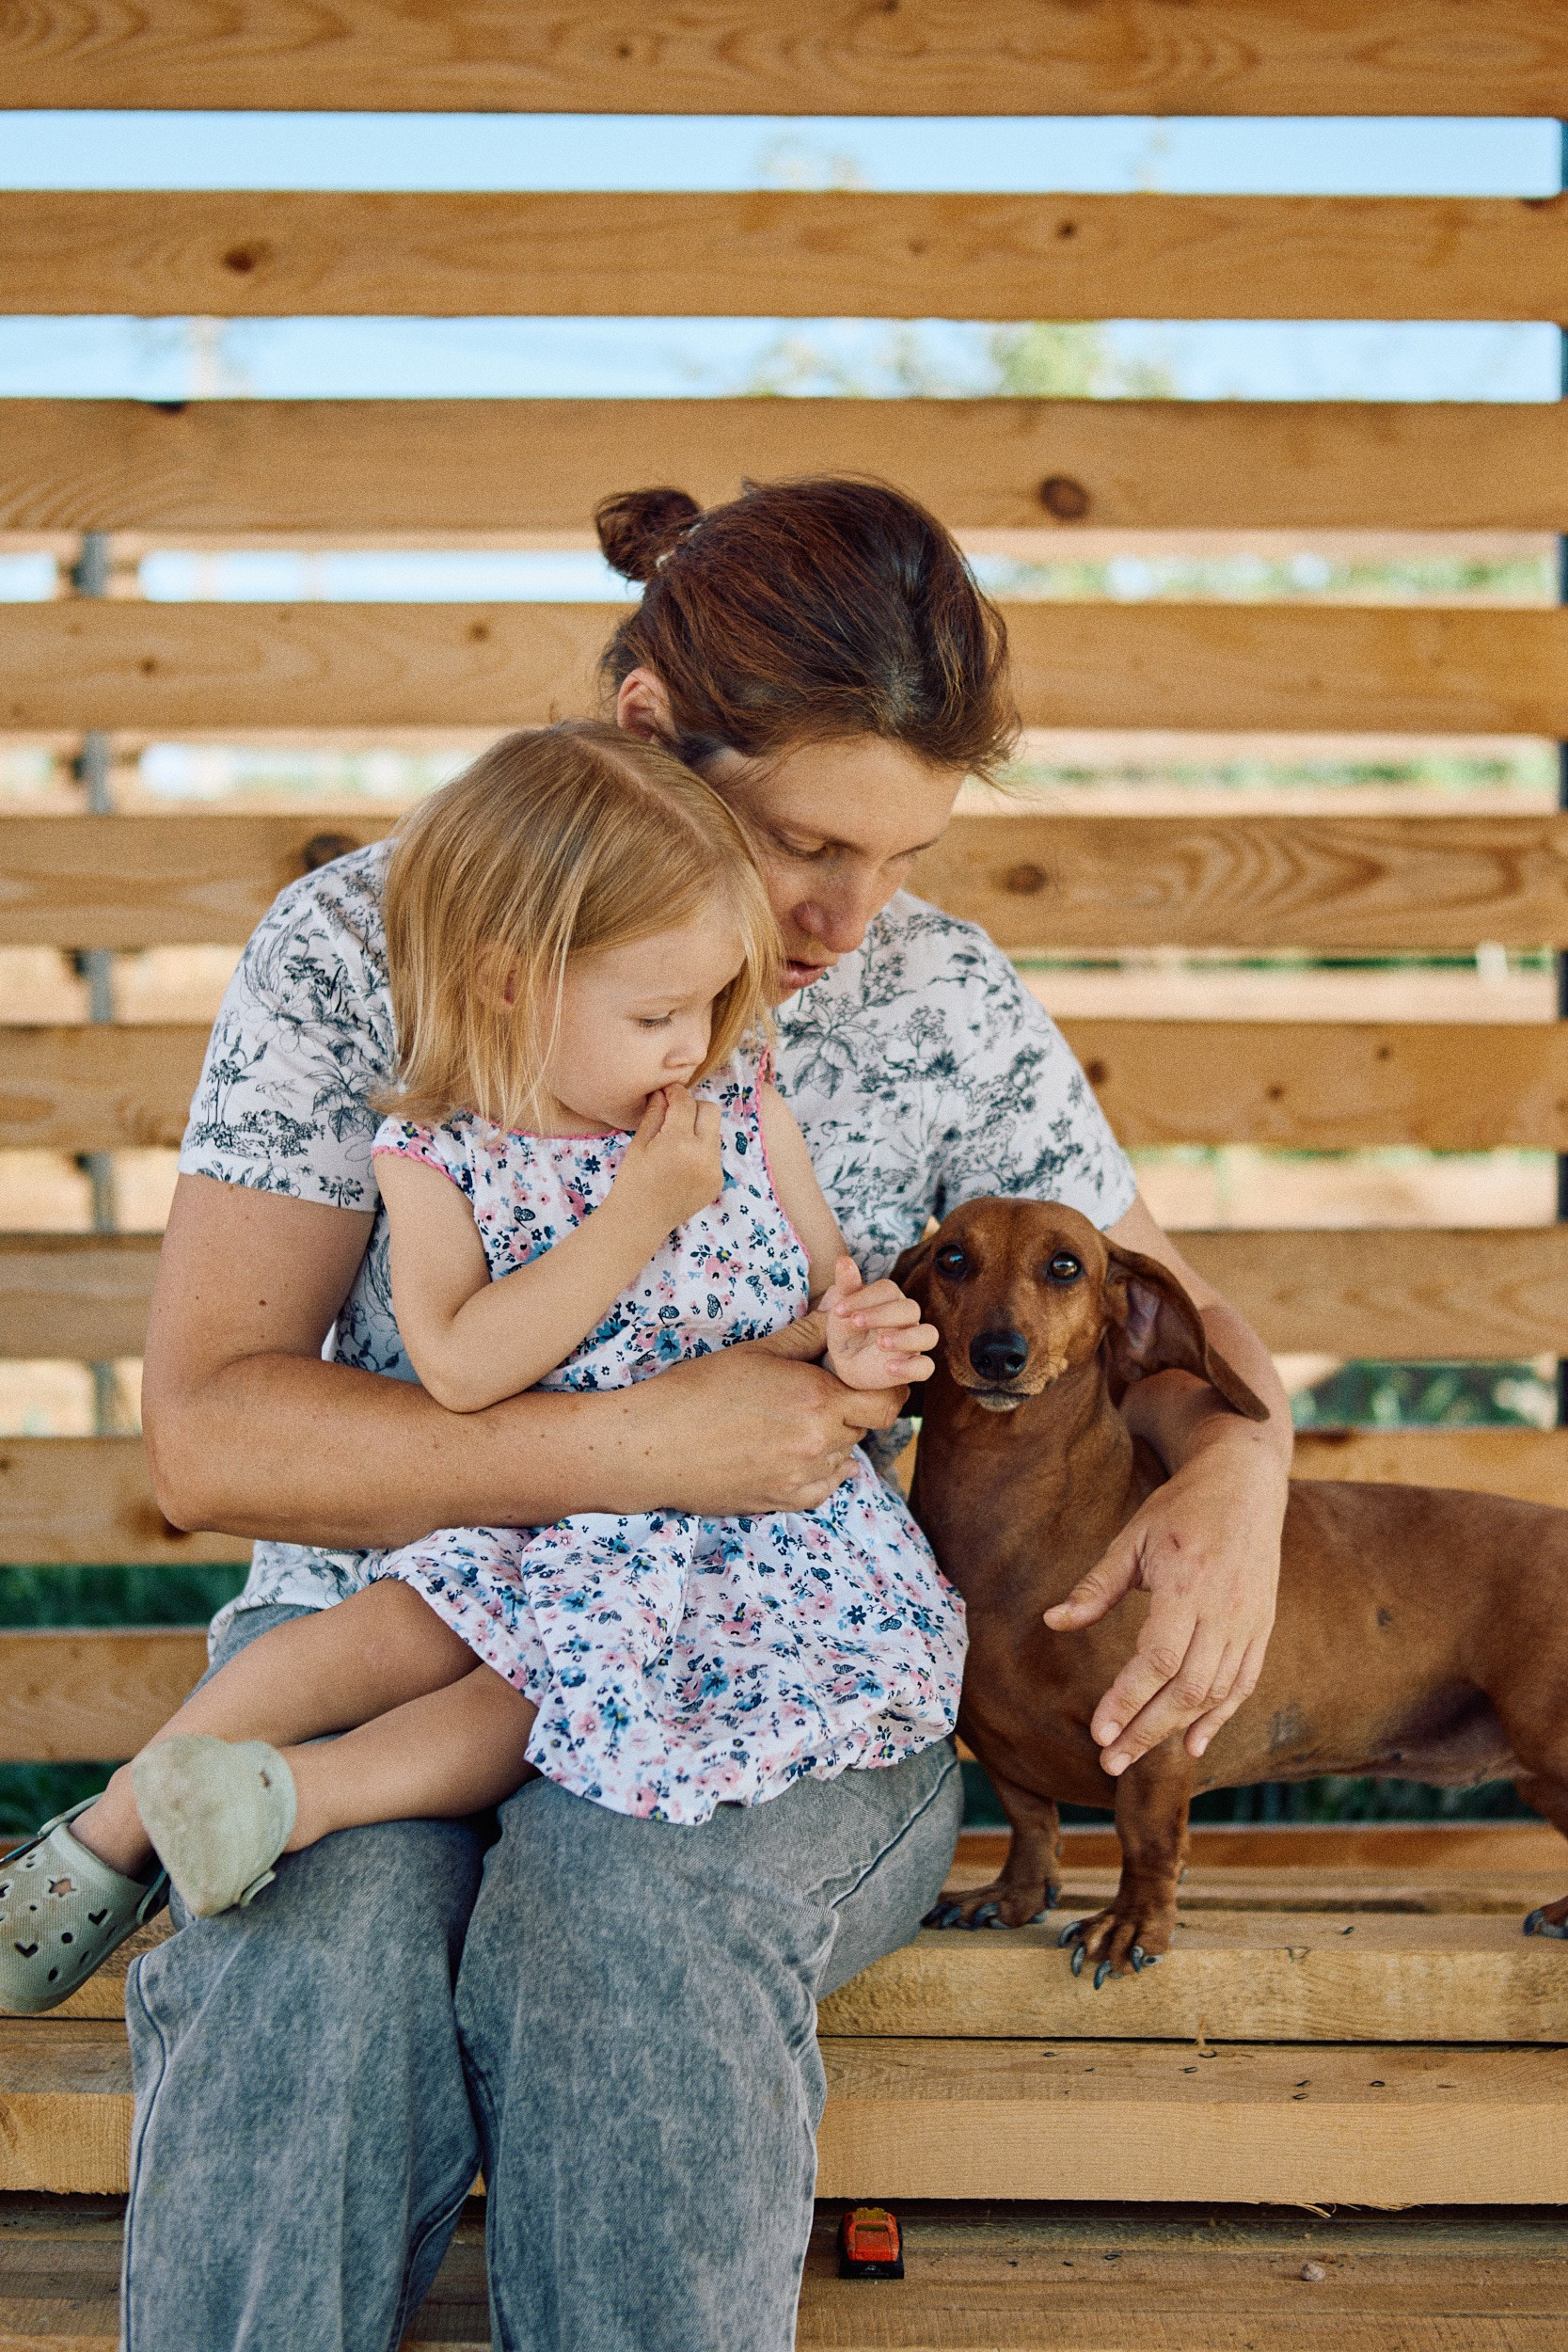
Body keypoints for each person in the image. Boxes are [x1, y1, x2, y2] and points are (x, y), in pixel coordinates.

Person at [120, 477, 1292, 2352]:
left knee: (635, 1919)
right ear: (652, 733)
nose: (850, 917)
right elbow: (210, 1435)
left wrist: (1253, 1460)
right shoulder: (366, 947)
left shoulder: (935, 998)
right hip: (386, 1660)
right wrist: (612, 1446)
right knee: (304, 1957)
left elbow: (1181, 1324)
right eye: (806, 842)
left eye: (903, 854)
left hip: (777, 1673)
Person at [0, 723, 957, 1977]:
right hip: (522, 1512)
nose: (695, 1044)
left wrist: (865, 1345)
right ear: (511, 982)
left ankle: (293, 1799)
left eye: (717, 1003)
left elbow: (814, 1316)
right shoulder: (441, 1154)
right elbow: (458, 1365)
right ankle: (111, 1835)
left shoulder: (736, 1105)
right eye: (660, 1010)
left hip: (723, 1545)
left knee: (529, 1695)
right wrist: (631, 1222)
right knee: (356, 1644)